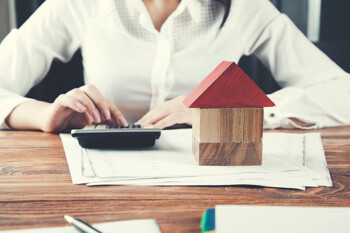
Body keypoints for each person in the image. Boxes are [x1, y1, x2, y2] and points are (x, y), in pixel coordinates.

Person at [0, 0, 349, 132]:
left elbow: (341, 93)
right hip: (106, 181)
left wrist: (226, 111)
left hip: (213, 177)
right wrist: (44, 116)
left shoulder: (246, 8)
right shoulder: (79, 4)